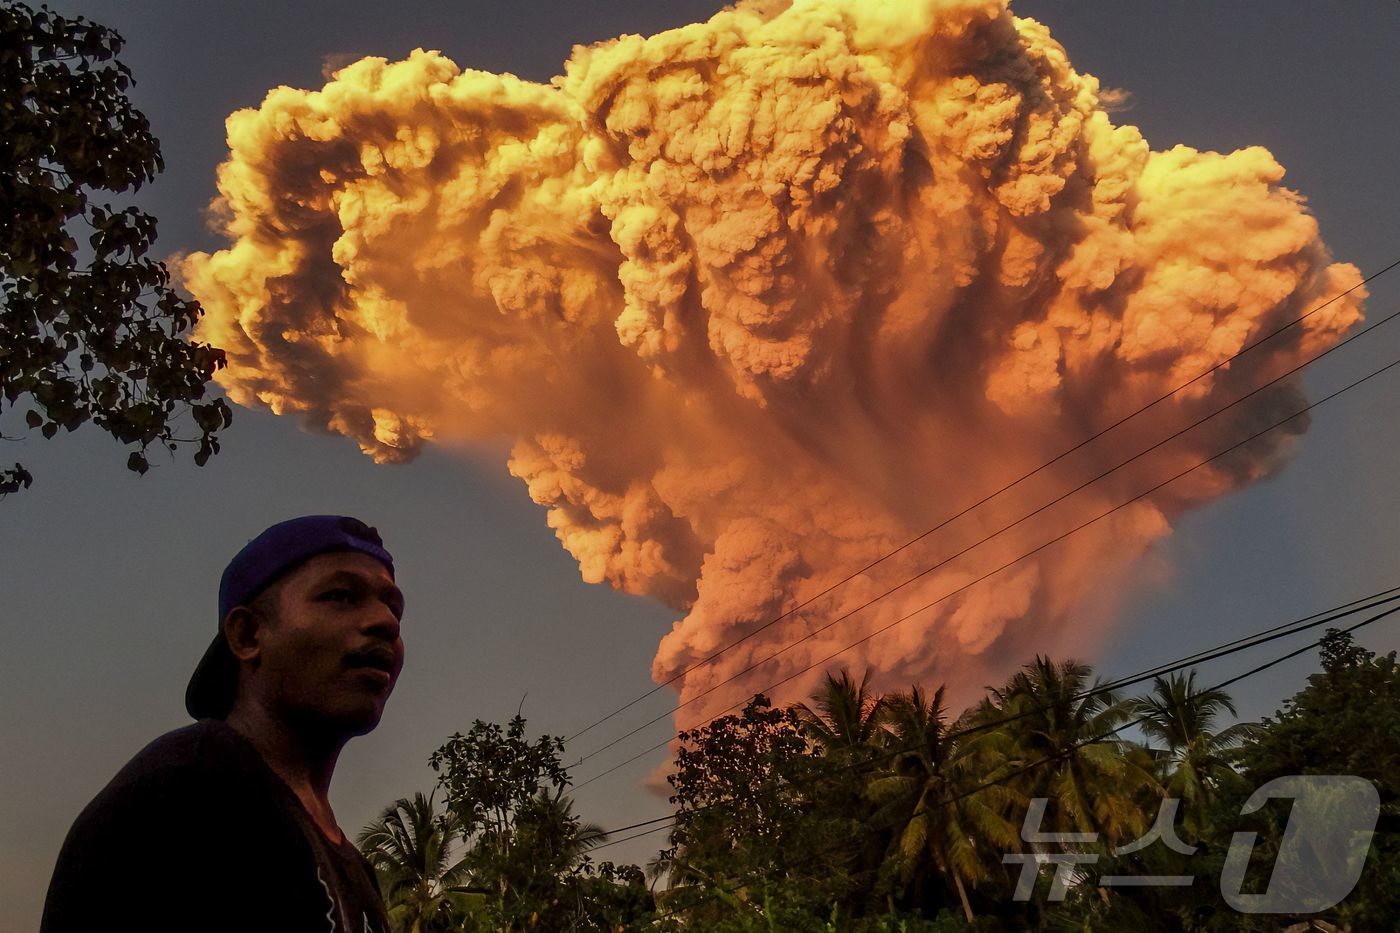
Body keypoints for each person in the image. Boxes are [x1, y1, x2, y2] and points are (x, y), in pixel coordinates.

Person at [41, 515, 405, 932]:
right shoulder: (184, 794)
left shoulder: (356, 867)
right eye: (340, 596)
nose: (386, 622)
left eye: (392, 606)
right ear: (248, 635)